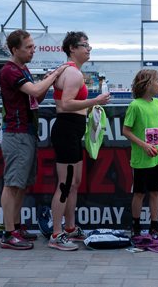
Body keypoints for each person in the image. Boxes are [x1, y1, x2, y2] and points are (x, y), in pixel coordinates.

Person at [0, 29, 67, 250]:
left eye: (33, 46)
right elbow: (36, 89)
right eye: (28, 47)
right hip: (16, 132)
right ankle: (8, 233)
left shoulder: (23, 68)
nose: (32, 50)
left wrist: (49, 81)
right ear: (14, 49)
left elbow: (37, 95)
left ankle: (16, 227)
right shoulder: (9, 71)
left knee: (21, 184)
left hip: (26, 131)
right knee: (12, 184)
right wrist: (54, 76)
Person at [48, 31, 110, 251]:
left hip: (72, 130)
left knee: (74, 183)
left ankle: (70, 228)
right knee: (65, 185)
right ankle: (56, 233)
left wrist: (89, 105)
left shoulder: (70, 71)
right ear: (72, 48)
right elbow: (65, 104)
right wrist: (95, 100)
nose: (89, 48)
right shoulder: (73, 74)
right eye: (84, 45)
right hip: (66, 129)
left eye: (89, 45)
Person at [122, 69, 158, 237]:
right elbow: (126, 131)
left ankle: (154, 225)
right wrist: (144, 145)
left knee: (155, 191)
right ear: (147, 84)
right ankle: (136, 225)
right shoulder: (135, 105)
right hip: (142, 159)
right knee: (139, 193)